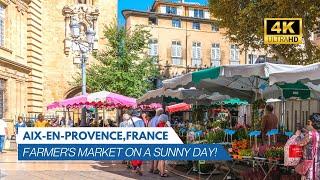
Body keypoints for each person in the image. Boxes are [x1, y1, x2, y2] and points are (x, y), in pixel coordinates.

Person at [296, 115, 320, 180]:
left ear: (311, 123)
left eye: (308, 122)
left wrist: (298, 136)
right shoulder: (318, 133)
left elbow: (300, 143)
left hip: (309, 162)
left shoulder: (310, 134)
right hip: (317, 161)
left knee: (308, 176)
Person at [149, 108, 163, 174]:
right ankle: (155, 168)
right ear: (161, 113)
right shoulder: (160, 120)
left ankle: (151, 168)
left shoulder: (151, 120)